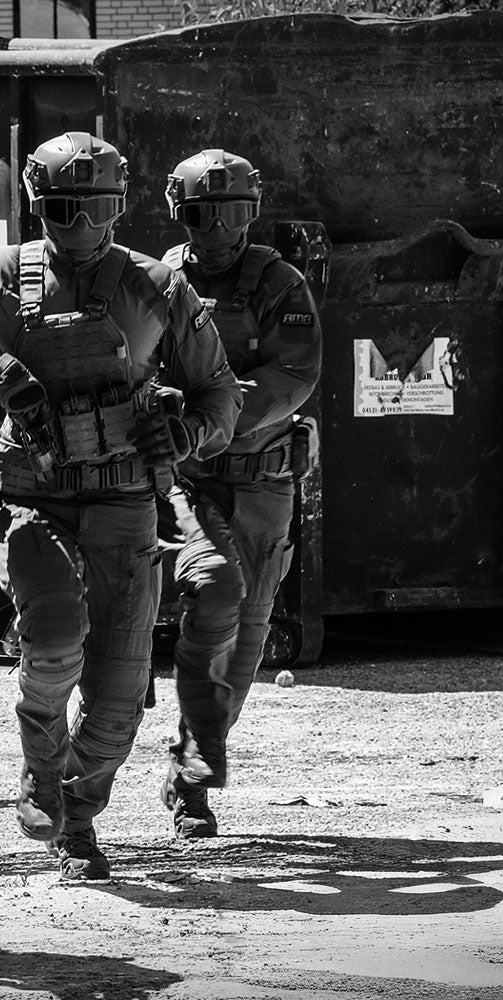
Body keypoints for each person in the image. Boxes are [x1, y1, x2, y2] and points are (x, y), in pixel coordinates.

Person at [0, 131, 240, 880]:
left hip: (125, 502)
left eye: (96, 208)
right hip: (34, 501)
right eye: (62, 208)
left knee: (117, 703)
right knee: (52, 643)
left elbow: (220, 392)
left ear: (118, 207)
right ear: (37, 205)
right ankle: (41, 767)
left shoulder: (159, 286)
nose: (80, 223)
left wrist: (187, 432)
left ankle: (74, 816)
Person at [159, 148, 322, 838]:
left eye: (232, 214)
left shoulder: (278, 283)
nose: (218, 229)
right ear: (181, 214)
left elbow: (293, 375)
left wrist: (214, 416)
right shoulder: (158, 282)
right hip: (183, 483)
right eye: (203, 215)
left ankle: (192, 772)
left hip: (258, 480)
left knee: (247, 635)